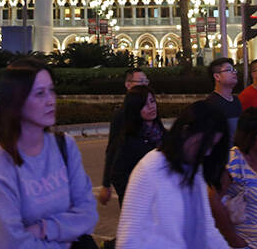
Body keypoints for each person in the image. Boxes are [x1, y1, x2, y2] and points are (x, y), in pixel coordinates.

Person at [0, 58, 97, 248]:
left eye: (51, 90)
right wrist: (66, 237)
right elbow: (9, 242)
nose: (50, 101)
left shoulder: (65, 146)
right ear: (16, 101)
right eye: (39, 94)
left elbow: (87, 214)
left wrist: (44, 229)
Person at [116, 100, 232, 249]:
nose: (208, 152)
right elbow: (128, 239)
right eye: (205, 144)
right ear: (186, 131)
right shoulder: (151, 167)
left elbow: (207, 229)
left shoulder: (195, 170)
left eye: (213, 147)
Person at [224, 107, 257, 249]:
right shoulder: (234, 159)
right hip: (241, 243)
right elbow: (213, 200)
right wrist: (233, 240)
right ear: (250, 135)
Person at [106, 85, 164, 203]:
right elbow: (118, 176)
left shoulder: (165, 135)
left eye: (152, 101)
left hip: (163, 202)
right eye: (144, 104)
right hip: (141, 205)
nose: (151, 107)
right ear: (134, 108)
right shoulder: (127, 141)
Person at [99, 67, 149, 205]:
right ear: (128, 85)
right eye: (141, 81)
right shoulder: (122, 114)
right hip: (129, 178)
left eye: (146, 81)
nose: (145, 85)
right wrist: (106, 184)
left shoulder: (150, 110)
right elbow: (112, 148)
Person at [205, 57, 243, 138]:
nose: (234, 73)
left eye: (234, 70)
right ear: (217, 76)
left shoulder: (236, 101)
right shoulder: (211, 104)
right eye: (229, 70)